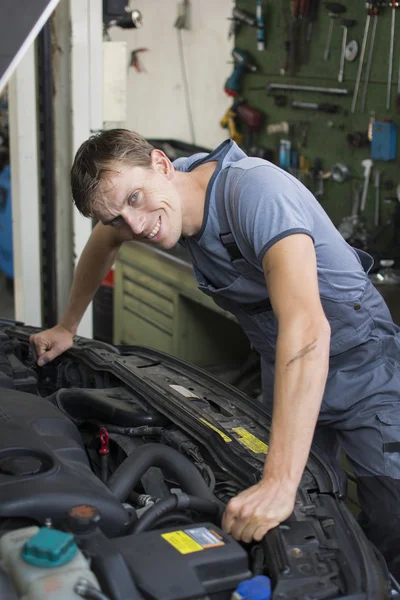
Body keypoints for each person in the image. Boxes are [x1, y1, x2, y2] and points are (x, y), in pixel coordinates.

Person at [30, 129, 400, 577]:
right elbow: (102, 242)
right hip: (286, 371)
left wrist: (279, 483)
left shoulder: (255, 195)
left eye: (135, 199)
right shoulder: (161, 205)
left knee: (390, 515)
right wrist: (68, 325)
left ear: (162, 164)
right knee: (306, 517)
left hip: (361, 364)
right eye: (116, 217)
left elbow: (306, 328)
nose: (136, 225)